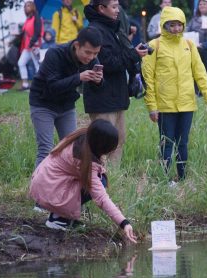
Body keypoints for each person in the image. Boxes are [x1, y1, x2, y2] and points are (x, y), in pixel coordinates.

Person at [29, 119, 137, 243]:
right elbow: (101, 198)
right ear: (102, 146)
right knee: (101, 182)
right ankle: (57, 219)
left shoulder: (82, 137)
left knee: (100, 179)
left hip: (44, 183)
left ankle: (62, 216)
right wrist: (124, 223)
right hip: (49, 190)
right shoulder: (83, 159)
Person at [142, 6, 207, 183]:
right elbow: (148, 78)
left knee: (183, 143)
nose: (176, 29)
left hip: (186, 104)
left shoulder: (189, 45)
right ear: (164, 25)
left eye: (179, 25)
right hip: (165, 105)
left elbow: (200, 74)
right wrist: (152, 106)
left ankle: (182, 179)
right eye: (172, 25)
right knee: (166, 143)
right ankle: (164, 179)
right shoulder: (154, 46)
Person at [83, 0, 147, 165]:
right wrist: (134, 55)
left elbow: (118, 59)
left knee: (118, 140)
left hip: (116, 96)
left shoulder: (112, 28)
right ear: (101, 8)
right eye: (114, 7)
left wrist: (132, 53)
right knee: (103, 145)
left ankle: (113, 182)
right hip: (102, 99)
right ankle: (98, 182)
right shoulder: (94, 31)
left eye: (118, 6)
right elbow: (108, 64)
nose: (118, 10)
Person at [29, 27, 103, 168]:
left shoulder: (92, 58)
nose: (91, 57)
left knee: (71, 148)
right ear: (76, 45)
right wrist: (78, 77)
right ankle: (37, 187)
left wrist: (98, 81)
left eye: (95, 53)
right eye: (87, 52)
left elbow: (95, 87)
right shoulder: (55, 54)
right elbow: (53, 86)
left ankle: (64, 184)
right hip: (43, 102)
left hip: (66, 105)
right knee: (46, 149)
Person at [18, 0, 44, 91]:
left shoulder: (37, 17)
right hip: (27, 46)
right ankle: (25, 84)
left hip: (34, 45)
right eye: (25, 6)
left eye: (28, 5)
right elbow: (25, 33)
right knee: (21, 63)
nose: (26, 7)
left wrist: (32, 43)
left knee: (37, 65)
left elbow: (37, 32)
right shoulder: (27, 19)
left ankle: (41, 85)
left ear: (33, 7)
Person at [187, 0, 207, 78]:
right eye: (200, 4)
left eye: (204, 4)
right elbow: (187, 32)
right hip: (195, 50)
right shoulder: (194, 19)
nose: (202, 6)